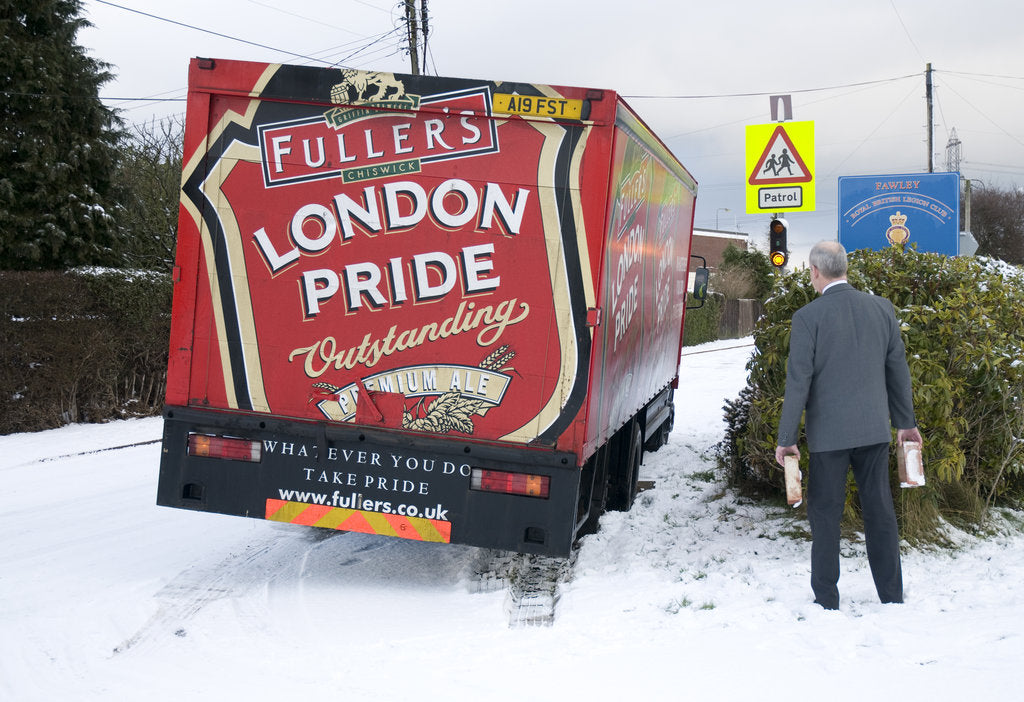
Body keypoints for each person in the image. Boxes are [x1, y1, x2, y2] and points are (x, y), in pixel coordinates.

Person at [775, 240, 923, 610]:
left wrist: (787, 439)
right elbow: (897, 372)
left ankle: (827, 599)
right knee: (880, 512)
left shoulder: (808, 318)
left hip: (829, 438)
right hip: (874, 430)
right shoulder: (882, 309)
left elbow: (799, 383)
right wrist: (905, 423)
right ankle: (891, 595)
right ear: (844, 268)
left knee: (825, 515)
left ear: (815, 271)